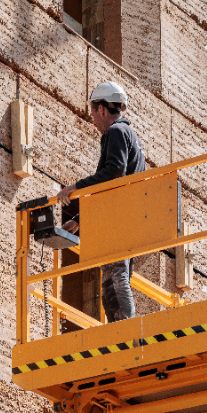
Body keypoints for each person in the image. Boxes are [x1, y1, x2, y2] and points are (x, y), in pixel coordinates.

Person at [55, 81, 147, 323]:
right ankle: (119, 328)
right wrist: (78, 221)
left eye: (93, 113)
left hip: (119, 219)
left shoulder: (116, 132)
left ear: (103, 110)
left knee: (116, 277)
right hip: (127, 216)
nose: (93, 121)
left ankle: (126, 328)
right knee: (113, 280)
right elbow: (109, 190)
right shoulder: (130, 135)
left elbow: (114, 172)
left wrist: (76, 186)